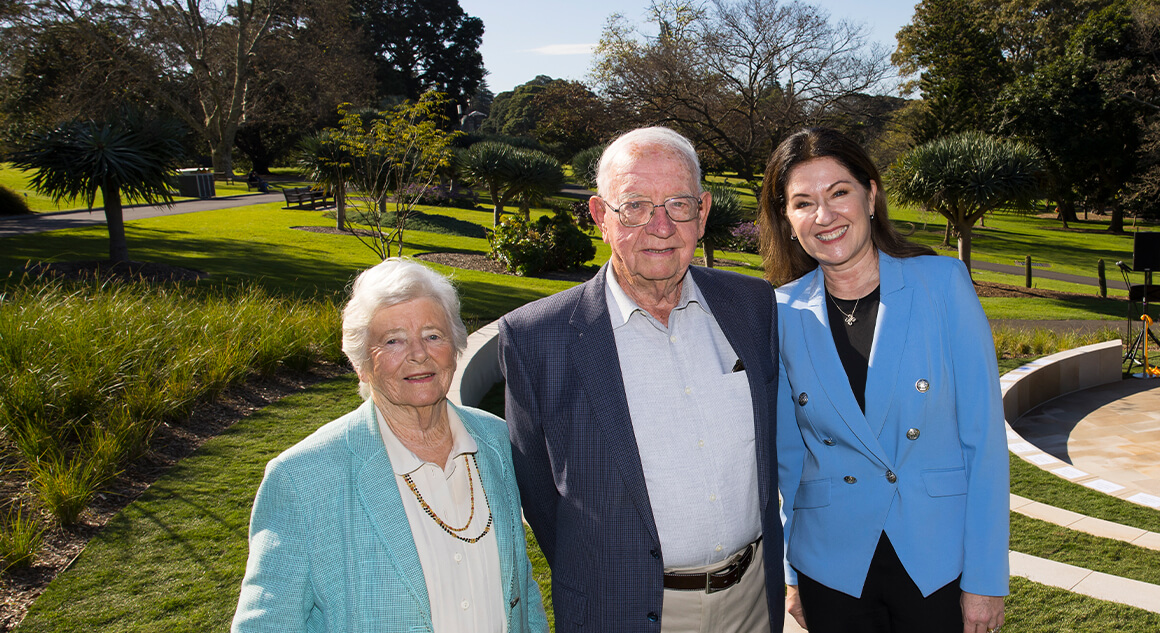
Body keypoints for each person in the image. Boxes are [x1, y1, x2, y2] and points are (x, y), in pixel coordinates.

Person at [499, 126, 784, 633]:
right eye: (634, 205)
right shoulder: (536, 337)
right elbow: (539, 493)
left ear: (703, 212)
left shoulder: (753, 306)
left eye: (678, 204)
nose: (660, 226)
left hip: (751, 603)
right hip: (622, 609)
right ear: (599, 216)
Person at [758, 127, 1010, 633]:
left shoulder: (942, 285)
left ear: (871, 195)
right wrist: (791, 572)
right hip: (831, 564)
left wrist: (986, 577)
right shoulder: (780, 312)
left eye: (839, 193)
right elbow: (789, 463)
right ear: (787, 219)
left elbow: (983, 441)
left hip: (935, 557)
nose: (824, 217)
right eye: (803, 202)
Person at [232, 258, 547, 633]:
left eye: (433, 335)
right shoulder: (302, 480)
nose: (418, 354)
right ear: (362, 364)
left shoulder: (496, 443)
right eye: (393, 340)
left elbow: (521, 589)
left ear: (455, 345)